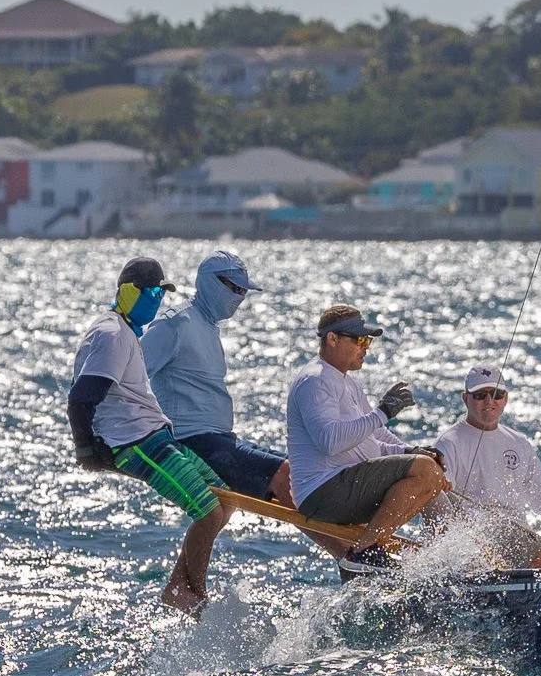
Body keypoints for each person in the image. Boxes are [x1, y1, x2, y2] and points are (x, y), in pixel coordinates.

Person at [141, 250, 349, 559]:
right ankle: (348, 556)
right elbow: (130, 375)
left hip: (220, 438)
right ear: (210, 283)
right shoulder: (174, 325)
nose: (239, 296)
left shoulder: (207, 326)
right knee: (285, 475)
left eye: (243, 291)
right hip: (192, 441)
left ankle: (357, 543)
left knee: (308, 468)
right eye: (233, 288)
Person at [67, 256, 233, 616]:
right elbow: (81, 397)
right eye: (152, 291)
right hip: (135, 443)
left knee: (227, 500)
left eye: (163, 292)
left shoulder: (126, 332)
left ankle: (178, 586)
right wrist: (87, 451)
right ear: (129, 292)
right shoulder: (112, 334)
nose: (158, 299)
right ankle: (194, 593)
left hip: (156, 435)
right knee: (206, 511)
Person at [285, 304, 450, 575]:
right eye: (359, 339)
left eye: (368, 341)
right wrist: (384, 412)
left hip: (343, 484)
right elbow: (330, 441)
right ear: (332, 339)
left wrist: (410, 449)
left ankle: (443, 566)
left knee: (433, 476)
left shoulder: (346, 382)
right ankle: (363, 553)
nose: (366, 347)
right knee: (424, 471)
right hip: (323, 493)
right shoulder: (315, 381)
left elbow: (372, 439)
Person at [431, 366, 541, 528]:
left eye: (497, 394)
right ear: (465, 399)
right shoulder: (448, 443)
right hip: (471, 537)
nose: (489, 401)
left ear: (506, 398)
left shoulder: (520, 443)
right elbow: (442, 500)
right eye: (480, 395)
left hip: (520, 537)